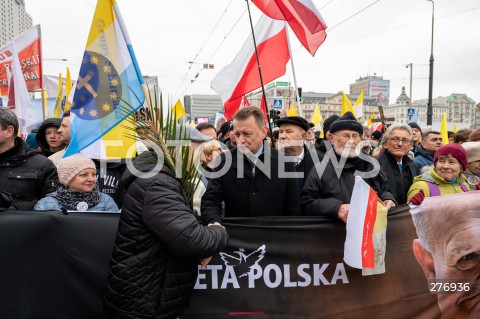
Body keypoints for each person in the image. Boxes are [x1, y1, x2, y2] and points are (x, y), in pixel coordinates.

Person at [104, 134, 228, 319]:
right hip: (145, 299)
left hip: (149, 292)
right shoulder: (157, 184)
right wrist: (219, 231)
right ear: (181, 151)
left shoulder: (158, 177)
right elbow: (191, 239)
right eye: (197, 152)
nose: (200, 159)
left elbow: (178, 224)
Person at [201, 107, 300, 225]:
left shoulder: (285, 163)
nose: (241, 140)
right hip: (236, 238)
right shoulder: (223, 162)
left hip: (274, 238)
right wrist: (214, 222)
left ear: (263, 132)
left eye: (247, 134)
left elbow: (293, 209)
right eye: (237, 134)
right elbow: (211, 200)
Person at [301, 112, 396, 222]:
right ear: (331, 138)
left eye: (355, 136)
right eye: (345, 136)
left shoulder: (371, 164)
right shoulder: (321, 169)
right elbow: (306, 203)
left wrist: (387, 198)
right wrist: (336, 208)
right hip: (336, 235)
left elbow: (384, 189)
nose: (351, 141)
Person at [411, 192, 480, 319]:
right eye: (468, 257)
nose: (448, 170)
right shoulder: (423, 188)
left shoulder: (467, 185)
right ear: (429, 266)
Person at [0, 108, 58, 211]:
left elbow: (52, 206)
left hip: (23, 226)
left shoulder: (42, 165)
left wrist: (14, 208)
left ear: (9, 131)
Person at [34, 154, 118, 212]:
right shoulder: (46, 204)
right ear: (67, 179)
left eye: (93, 174)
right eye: (84, 175)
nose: (91, 179)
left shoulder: (106, 201)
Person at [408, 143, 474, 203]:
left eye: (451, 162)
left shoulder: (464, 185)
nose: (445, 166)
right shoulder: (422, 187)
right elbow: (410, 214)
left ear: (462, 167)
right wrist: (414, 206)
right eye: (441, 161)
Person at [377, 124, 419, 204]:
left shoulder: (413, 166)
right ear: (385, 144)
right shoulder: (374, 165)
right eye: (395, 139)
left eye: (405, 140)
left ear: (410, 145)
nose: (400, 144)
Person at [276, 116, 317, 190]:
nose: (282, 136)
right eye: (281, 132)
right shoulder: (270, 161)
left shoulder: (319, 162)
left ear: (303, 136)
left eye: (288, 132)